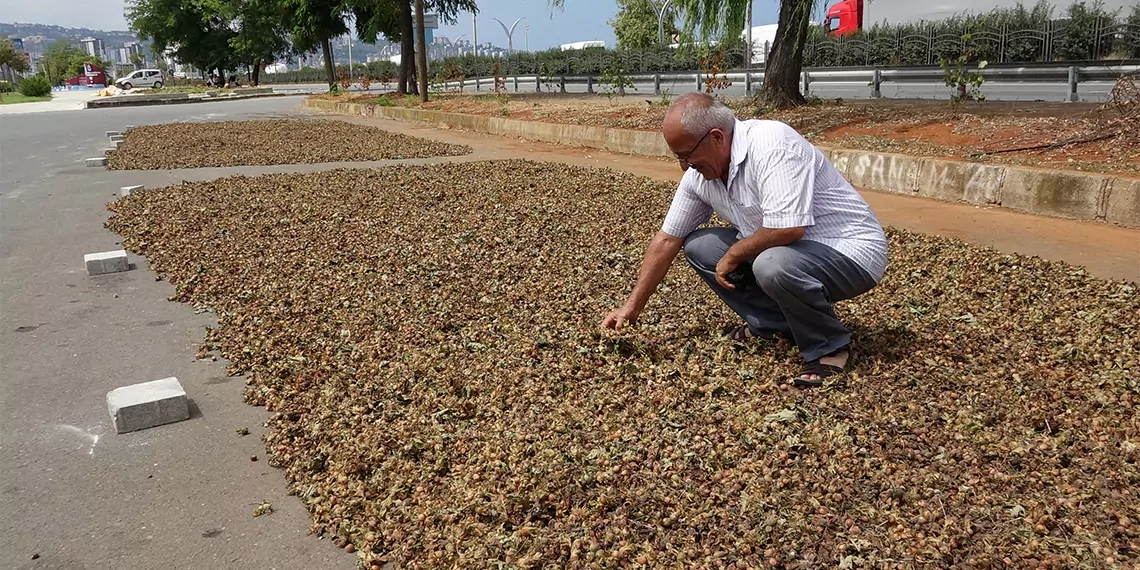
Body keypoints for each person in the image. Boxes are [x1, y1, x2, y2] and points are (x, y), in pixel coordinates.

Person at [601, 93, 888, 387]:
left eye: (687, 156)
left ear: (716, 137)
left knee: (771, 264)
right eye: (679, 158)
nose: (684, 167)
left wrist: (736, 253)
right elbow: (667, 239)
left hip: (849, 250)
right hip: (789, 253)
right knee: (701, 246)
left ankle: (829, 346)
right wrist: (631, 307)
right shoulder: (701, 176)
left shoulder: (772, 144)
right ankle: (776, 326)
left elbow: (789, 228)